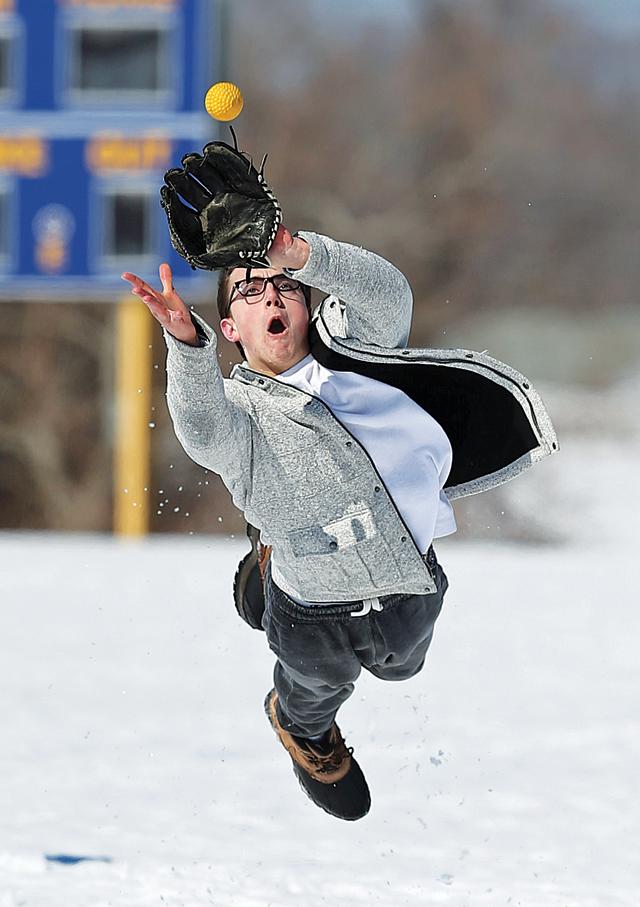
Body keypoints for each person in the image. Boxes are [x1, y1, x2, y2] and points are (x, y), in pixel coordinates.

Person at [122, 225, 556, 821]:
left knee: (403, 666)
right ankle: (301, 727)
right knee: (317, 685)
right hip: (311, 605)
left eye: (283, 287)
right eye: (249, 292)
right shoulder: (239, 414)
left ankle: (264, 563)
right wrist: (186, 347)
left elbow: (389, 296)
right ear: (230, 329)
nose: (271, 297)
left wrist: (303, 253)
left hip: (406, 576)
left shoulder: (358, 357)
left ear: (305, 304)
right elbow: (199, 430)